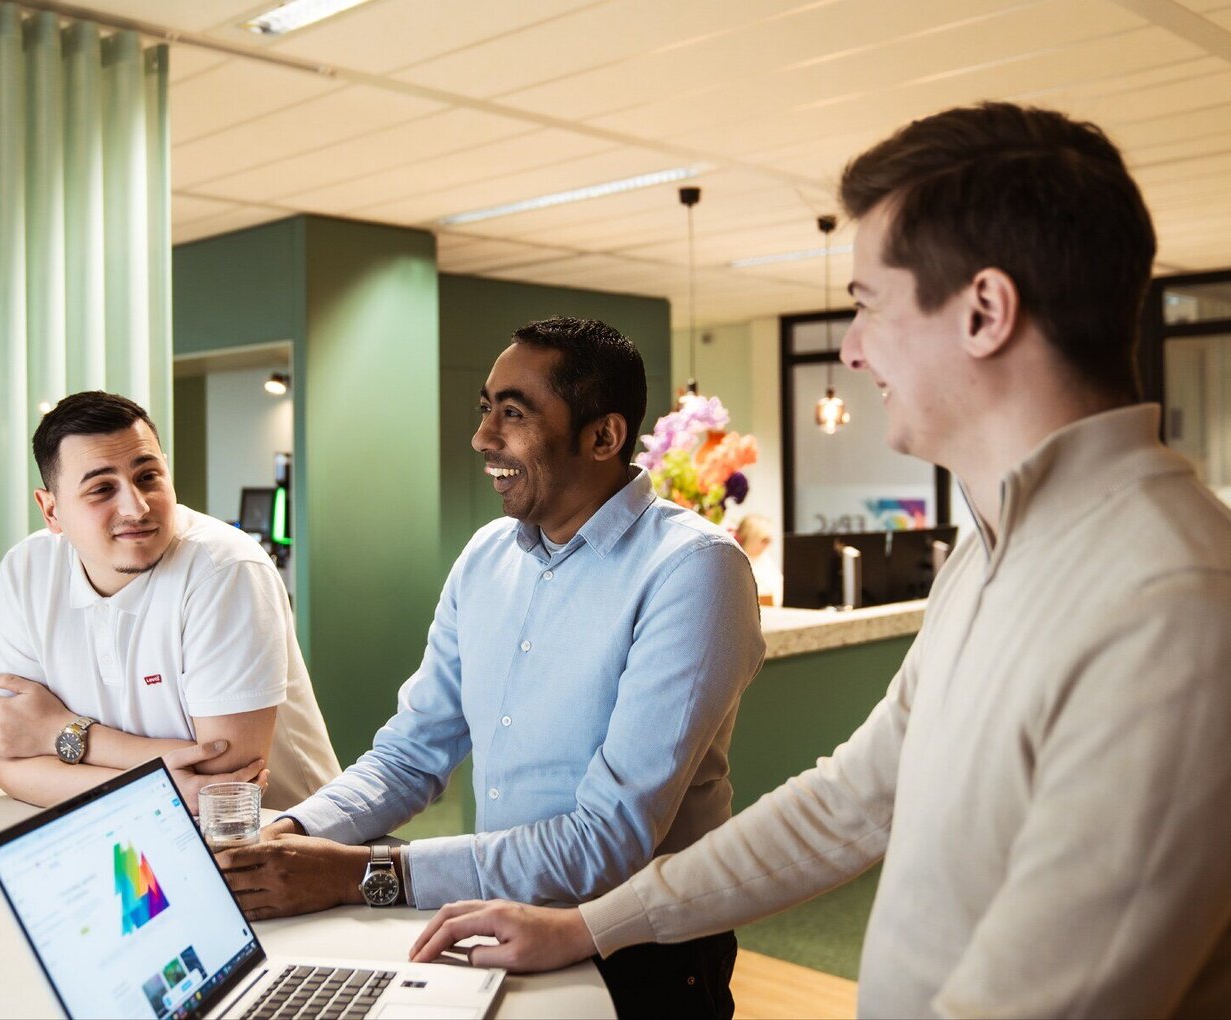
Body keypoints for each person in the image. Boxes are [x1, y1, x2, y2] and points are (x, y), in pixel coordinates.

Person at [408, 103, 1231, 1018]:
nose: (851, 348)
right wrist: (592, 926)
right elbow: (851, 802)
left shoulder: (1170, 602)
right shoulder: (994, 554)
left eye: (869, 304)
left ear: (985, 312)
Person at [216, 317, 765, 1019]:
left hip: (642, 951)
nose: (482, 438)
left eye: (514, 413)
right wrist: (291, 835)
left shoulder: (694, 570)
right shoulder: (487, 556)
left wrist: (362, 874)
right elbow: (410, 755)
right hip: (500, 919)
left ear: (603, 436)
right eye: (486, 408)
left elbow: (607, 839)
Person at [0, 391, 340, 812]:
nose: (136, 507)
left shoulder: (225, 568)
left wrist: (58, 733)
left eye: (148, 476)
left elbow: (226, 778)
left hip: (277, 833)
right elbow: (11, 760)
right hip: (128, 833)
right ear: (51, 511)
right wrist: (162, 788)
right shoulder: (27, 569)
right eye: (102, 489)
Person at [733, 514, 782, 607]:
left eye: (769, 540)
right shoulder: (735, 564)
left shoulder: (766, 561)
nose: (768, 544)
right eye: (764, 540)